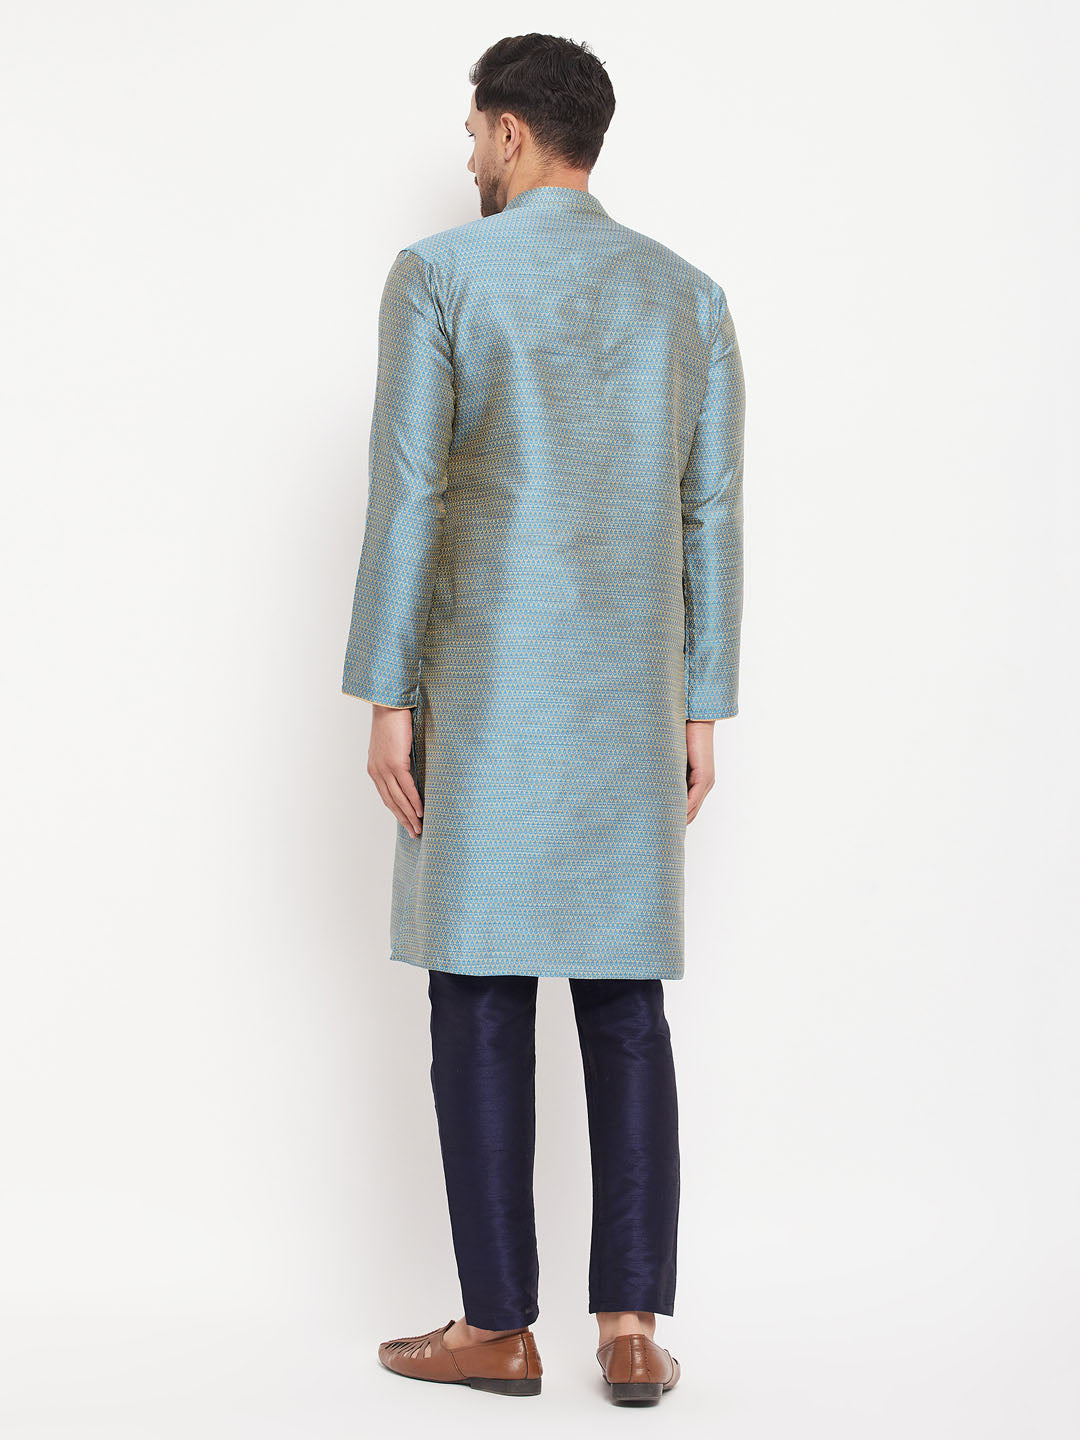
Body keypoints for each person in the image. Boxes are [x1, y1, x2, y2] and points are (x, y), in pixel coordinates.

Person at [342, 32, 744, 1405]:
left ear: (513, 133)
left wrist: (386, 693)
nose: (468, 155)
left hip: (486, 686)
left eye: (474, 133)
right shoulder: (688, 296)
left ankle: (495, 1326)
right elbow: (709, 515)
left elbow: (409, 492)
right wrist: (701, 707)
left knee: (478, 991)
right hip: (633, 698)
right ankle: (629, 1327)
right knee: (624, 1004)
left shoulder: (441, 276)